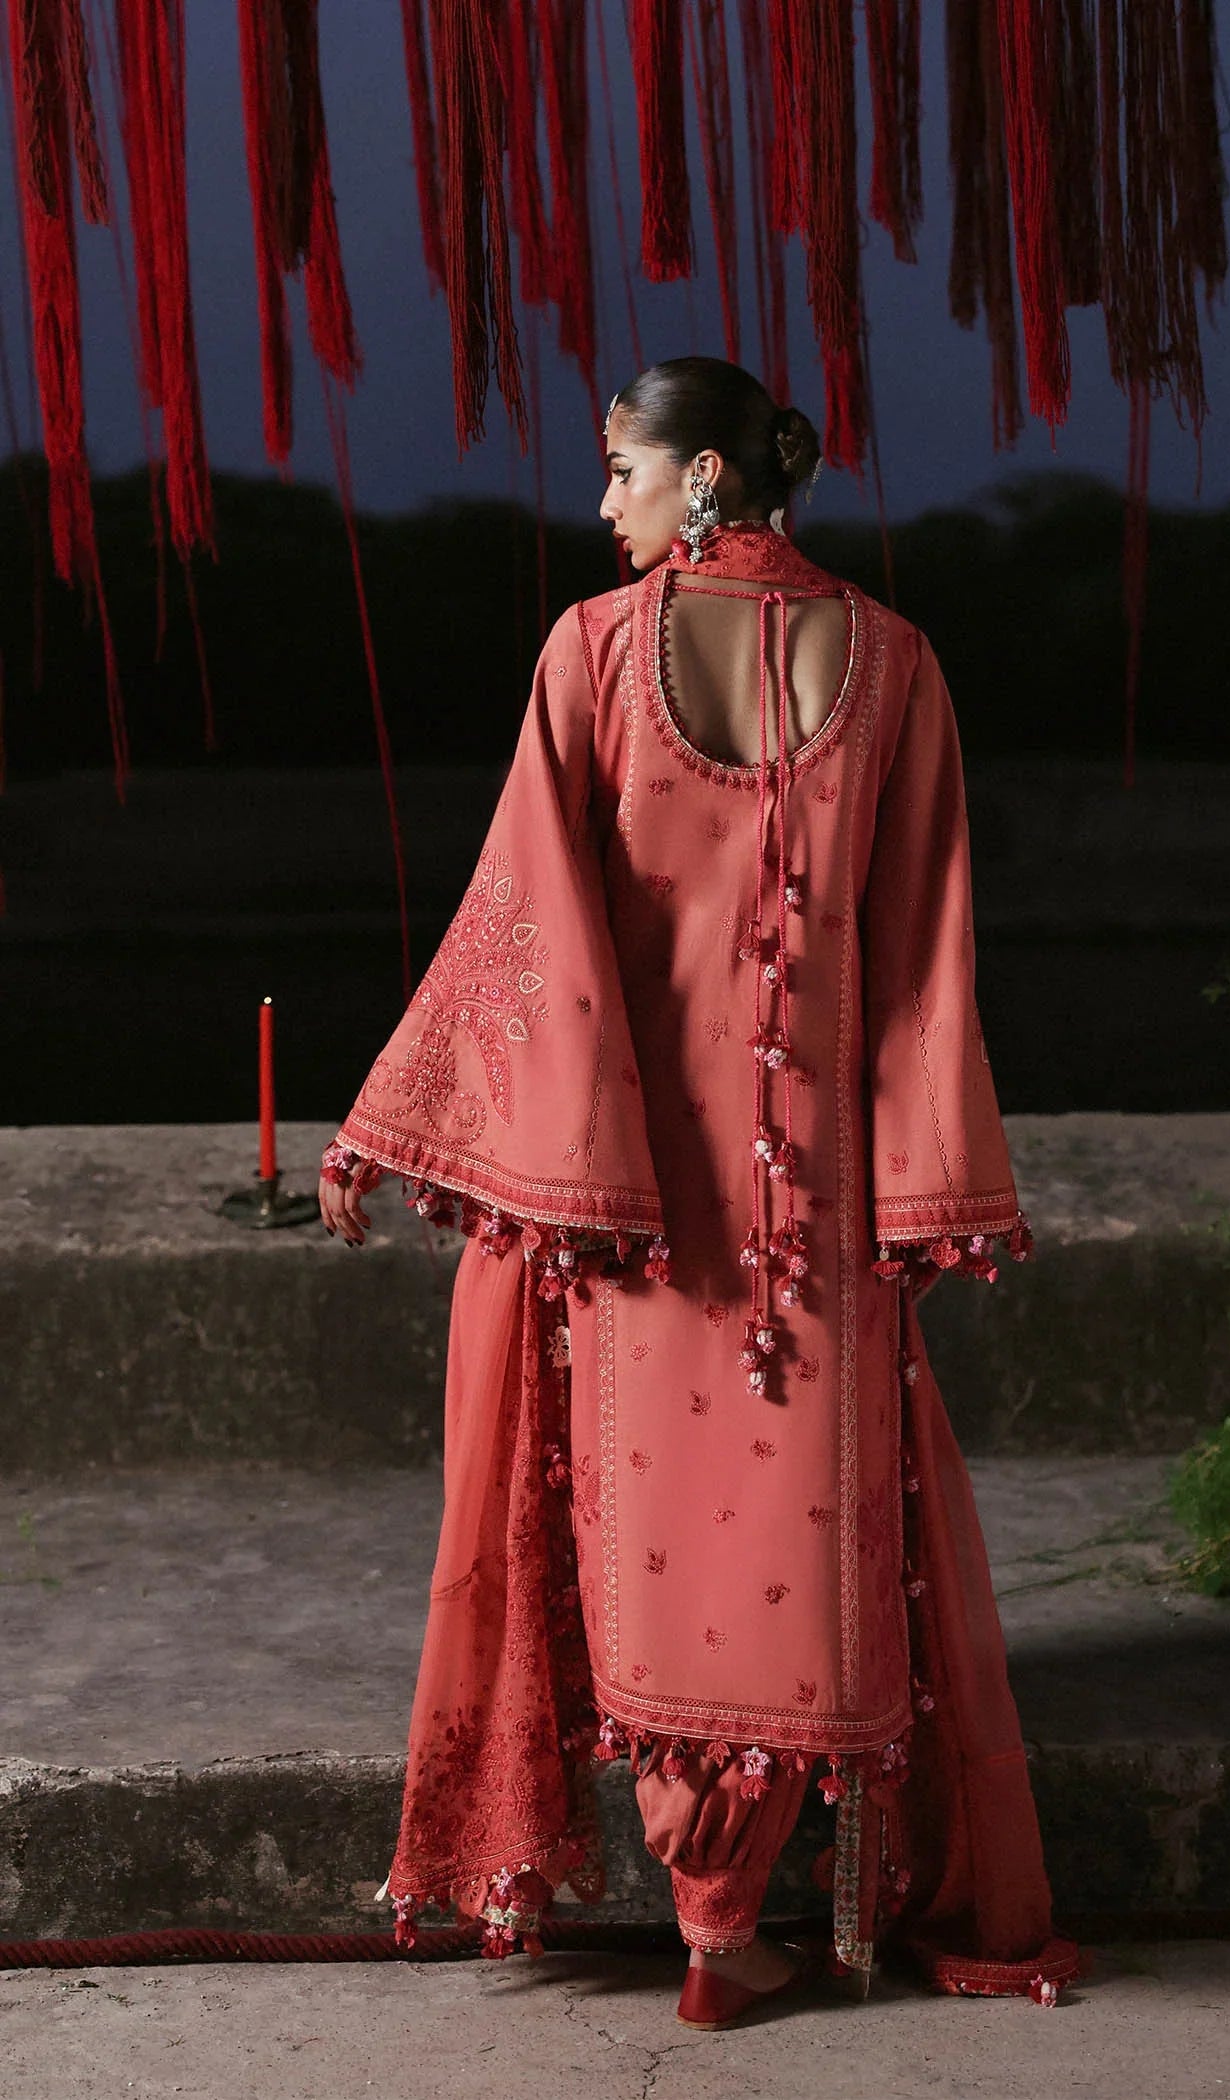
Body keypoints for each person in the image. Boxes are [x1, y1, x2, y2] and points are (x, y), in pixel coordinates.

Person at [319, 356, 1080, 2028]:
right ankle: (740, 1919)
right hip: (823, 1220)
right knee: (800, 1546)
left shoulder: (593, 653)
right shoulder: (895, 663)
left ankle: (715, 1922)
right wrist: (927, 1195)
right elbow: (925, 963)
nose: (606, 504)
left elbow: (525, 919)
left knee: (649, 1539)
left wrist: (401, 1123)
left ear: (709, 477)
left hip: (638, 1203)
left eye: (624, 470)